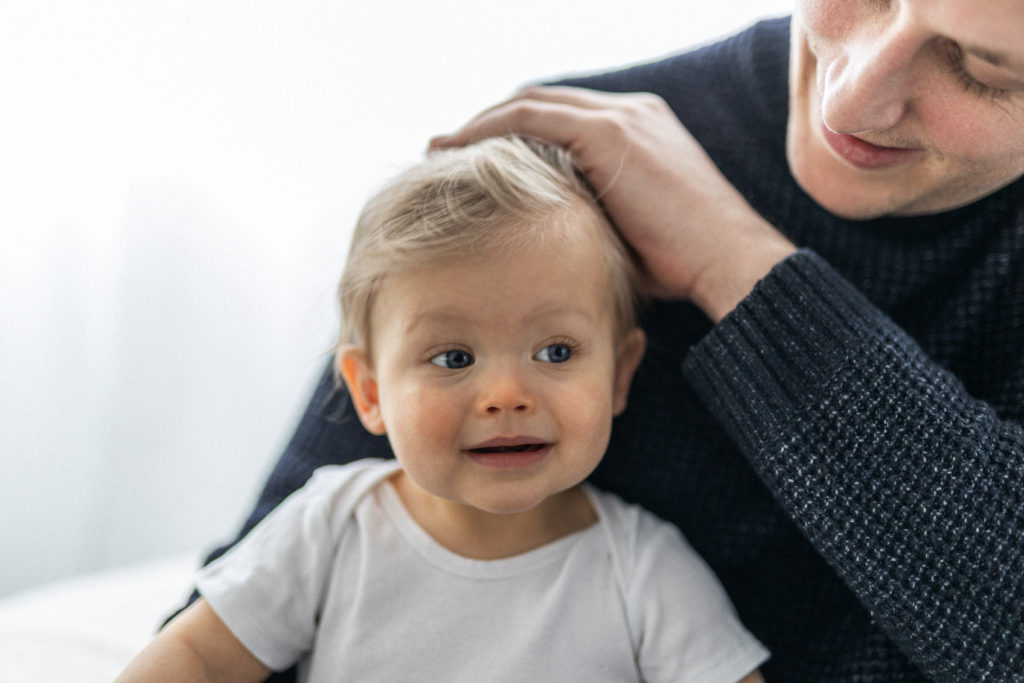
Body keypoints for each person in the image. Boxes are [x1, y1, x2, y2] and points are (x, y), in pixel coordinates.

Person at [180, 0, 1024, 680]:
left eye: (983, 70)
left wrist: (734, 265)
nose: (850, 97)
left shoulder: (645, 573)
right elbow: (243, 624)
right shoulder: (565, 175)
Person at [122, 137, 769, 682]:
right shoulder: (332, 527)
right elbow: (198, 655)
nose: (506, 394)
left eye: (555, 349)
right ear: (370, 392)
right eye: (454, 358)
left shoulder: (642, 570)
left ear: (620, 372)